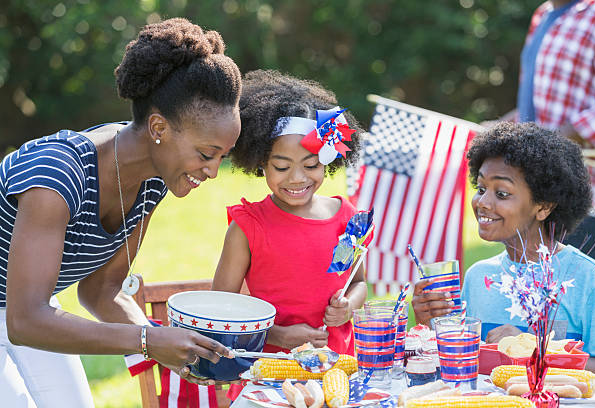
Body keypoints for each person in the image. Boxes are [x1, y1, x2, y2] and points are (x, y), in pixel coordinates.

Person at [0, 18, 241, 407]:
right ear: (159, 127)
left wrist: (168, 345)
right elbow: (25, 320)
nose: (213, 171)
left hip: (25, 308)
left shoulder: (153, 179)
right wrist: (148, 340)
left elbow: (101, 289)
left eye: (221, 158)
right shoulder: (57, 175)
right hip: (25, 311)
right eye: (205, 154)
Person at [413, 122, 595, 377]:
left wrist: (534, 350)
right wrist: (431, 324)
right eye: (481, 188)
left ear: (544, 207)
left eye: (502, 193)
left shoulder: (590, 280)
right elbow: (464, 363)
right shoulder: (478, 277)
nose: (482, 202)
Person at [212, 70, 367, 355]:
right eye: (282, 167)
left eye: (310, 165)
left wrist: (348, 307)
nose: (297, 178)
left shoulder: (347, 219)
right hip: (267, 375)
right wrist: (278, 335)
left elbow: (358, 283)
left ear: (326, 160)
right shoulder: (248, 227)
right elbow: (221, 312)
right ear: (261, 162)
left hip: (338, 368)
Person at [491, 0, 595, 272]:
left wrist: (558, 140)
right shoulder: (542, 16)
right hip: (536, 204)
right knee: (539, 309)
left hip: (588, 207)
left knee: (585, 310)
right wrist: (501, 127)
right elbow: (539, 111)